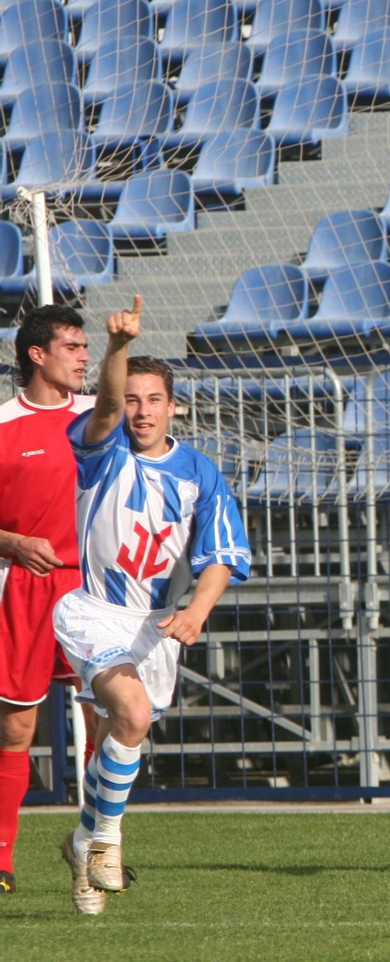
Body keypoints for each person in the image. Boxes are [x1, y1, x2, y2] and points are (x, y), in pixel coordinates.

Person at [56, 296, 251, 915]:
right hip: (90, 610)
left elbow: (221, 554)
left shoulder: (200, 473)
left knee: (128, 728)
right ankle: (106, 842)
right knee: (131, 715)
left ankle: (84, 841)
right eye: (132, 399)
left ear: (173, 407)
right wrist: (116, 346)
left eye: (153, 400)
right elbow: (105, 406)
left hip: (154, 627)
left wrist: (197, 610)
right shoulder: (103, 453)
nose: (140, 411)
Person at [0, 305, 96, 897]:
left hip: (91, 589)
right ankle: (1, 857)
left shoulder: (99, 418)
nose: (84, 356)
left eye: (88, 347)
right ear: (38, 354)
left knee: (106, 722)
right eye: (73, 346)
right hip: (25, 586)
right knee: (17, 726)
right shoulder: (3, 424)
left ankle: (95, 847)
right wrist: (11, 540)